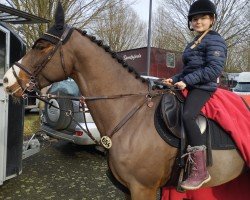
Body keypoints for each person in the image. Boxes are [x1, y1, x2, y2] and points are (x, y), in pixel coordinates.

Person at [163, 0, 227, 190]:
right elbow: (186, 70)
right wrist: (173, 79)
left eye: (203, 18)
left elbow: (214, 69)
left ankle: (200, 170)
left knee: (188, 115)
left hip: (203, 87)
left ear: (212, 20)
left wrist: (188, 81)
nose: (198, 21)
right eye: (195, 19)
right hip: (190, 84)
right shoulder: (192, 43)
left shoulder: (215, 40)